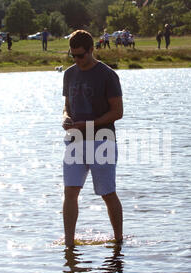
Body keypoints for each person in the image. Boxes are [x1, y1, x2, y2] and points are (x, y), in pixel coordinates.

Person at [62, 30, 123, 248]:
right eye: (73, 56)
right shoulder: (69, 74)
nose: (77, 60)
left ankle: (118, 241)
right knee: (70, 192)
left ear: (91, 50)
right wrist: (66, 118)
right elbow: (66, 107)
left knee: (107, 193)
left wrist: (88, 125)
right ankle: (69, 244)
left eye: (81, 55)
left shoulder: (107, 75)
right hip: (75, 140)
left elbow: (117, 112)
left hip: (102, 141)